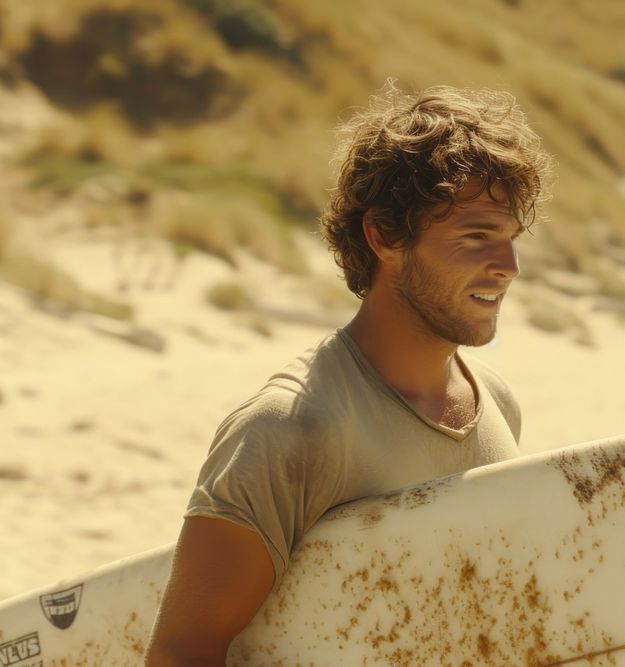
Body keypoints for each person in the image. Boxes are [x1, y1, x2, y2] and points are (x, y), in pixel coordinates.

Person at [145, 83, 553, 665]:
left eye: (511, 239)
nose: (509, 267)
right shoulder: (288, 430)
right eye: (476, 236)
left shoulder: (497, 402)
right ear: (385, 236)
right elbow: (185, 651)